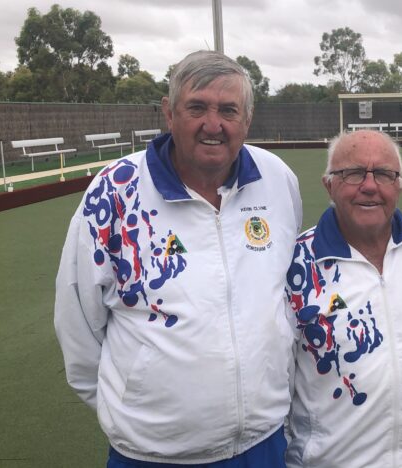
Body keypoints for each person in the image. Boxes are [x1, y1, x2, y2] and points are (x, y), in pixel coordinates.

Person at [54, 50, 302, 466]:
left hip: (264, 442)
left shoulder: (277, 178)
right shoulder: (115, 192)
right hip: (152, 455)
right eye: (197, 107)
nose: (213, 124)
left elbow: (281, 298)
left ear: (248, 119)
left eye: (228, 110)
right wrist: (138, 412)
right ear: (169, 113)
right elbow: (78, 322)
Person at [284, 130, 402, 467]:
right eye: (352, 173)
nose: (369, 186)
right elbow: (279, 381)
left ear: (399, 184)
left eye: (384, 173)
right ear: (329, 185)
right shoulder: (296, 266)